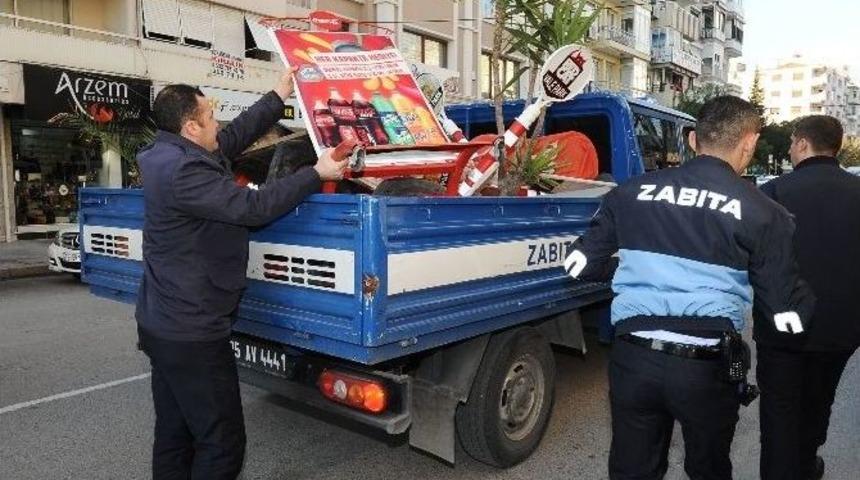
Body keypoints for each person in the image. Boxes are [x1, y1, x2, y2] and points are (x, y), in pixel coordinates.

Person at [563, 96, 814, 480]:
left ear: (693, 140)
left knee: (632, 470)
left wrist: (633, 270)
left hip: (633, 360)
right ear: (749, 143)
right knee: (708, 468)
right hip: (706, 368)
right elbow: (783, 308)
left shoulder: (630, 193)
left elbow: (580, 265)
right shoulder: (765, 212)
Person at [135, 70, 348, 480]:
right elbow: (254, 208)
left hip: (164, 324)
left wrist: (278, 94)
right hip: (192, 331)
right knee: (221, 443)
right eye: (210, 117)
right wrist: (316, 174)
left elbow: (233, 139)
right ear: (190, 127)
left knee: (175, 433)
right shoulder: (186, 172)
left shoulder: (171, 153)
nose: (219, 123)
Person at [758, 115, 860, 480]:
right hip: (841, 329)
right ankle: (805, 464)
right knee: (820, 401)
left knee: (779, 411)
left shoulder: (773, 193)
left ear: (802, 144)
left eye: (790, 143)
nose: (788, 149)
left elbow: (753, 258)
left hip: (781, 327)